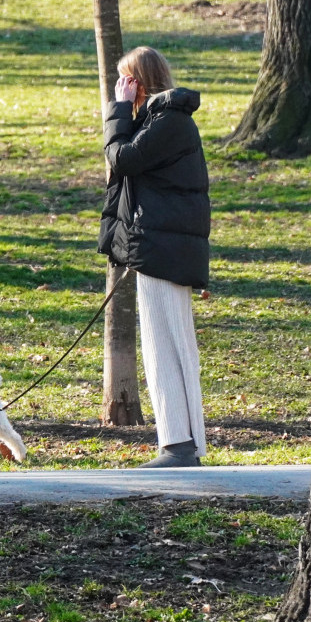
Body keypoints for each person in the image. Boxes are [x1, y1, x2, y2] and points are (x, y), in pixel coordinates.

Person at [98, 46, 210, 468]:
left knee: (166, 344)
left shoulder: (168, 122)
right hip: (164, 244)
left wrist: (119, 110)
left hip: (164, 247)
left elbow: (122, 158)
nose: (122, 88)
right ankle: (184, 443)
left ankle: (179, 445)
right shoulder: (161, 121)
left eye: (126, 80)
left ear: (139, 82)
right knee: (169, 342)